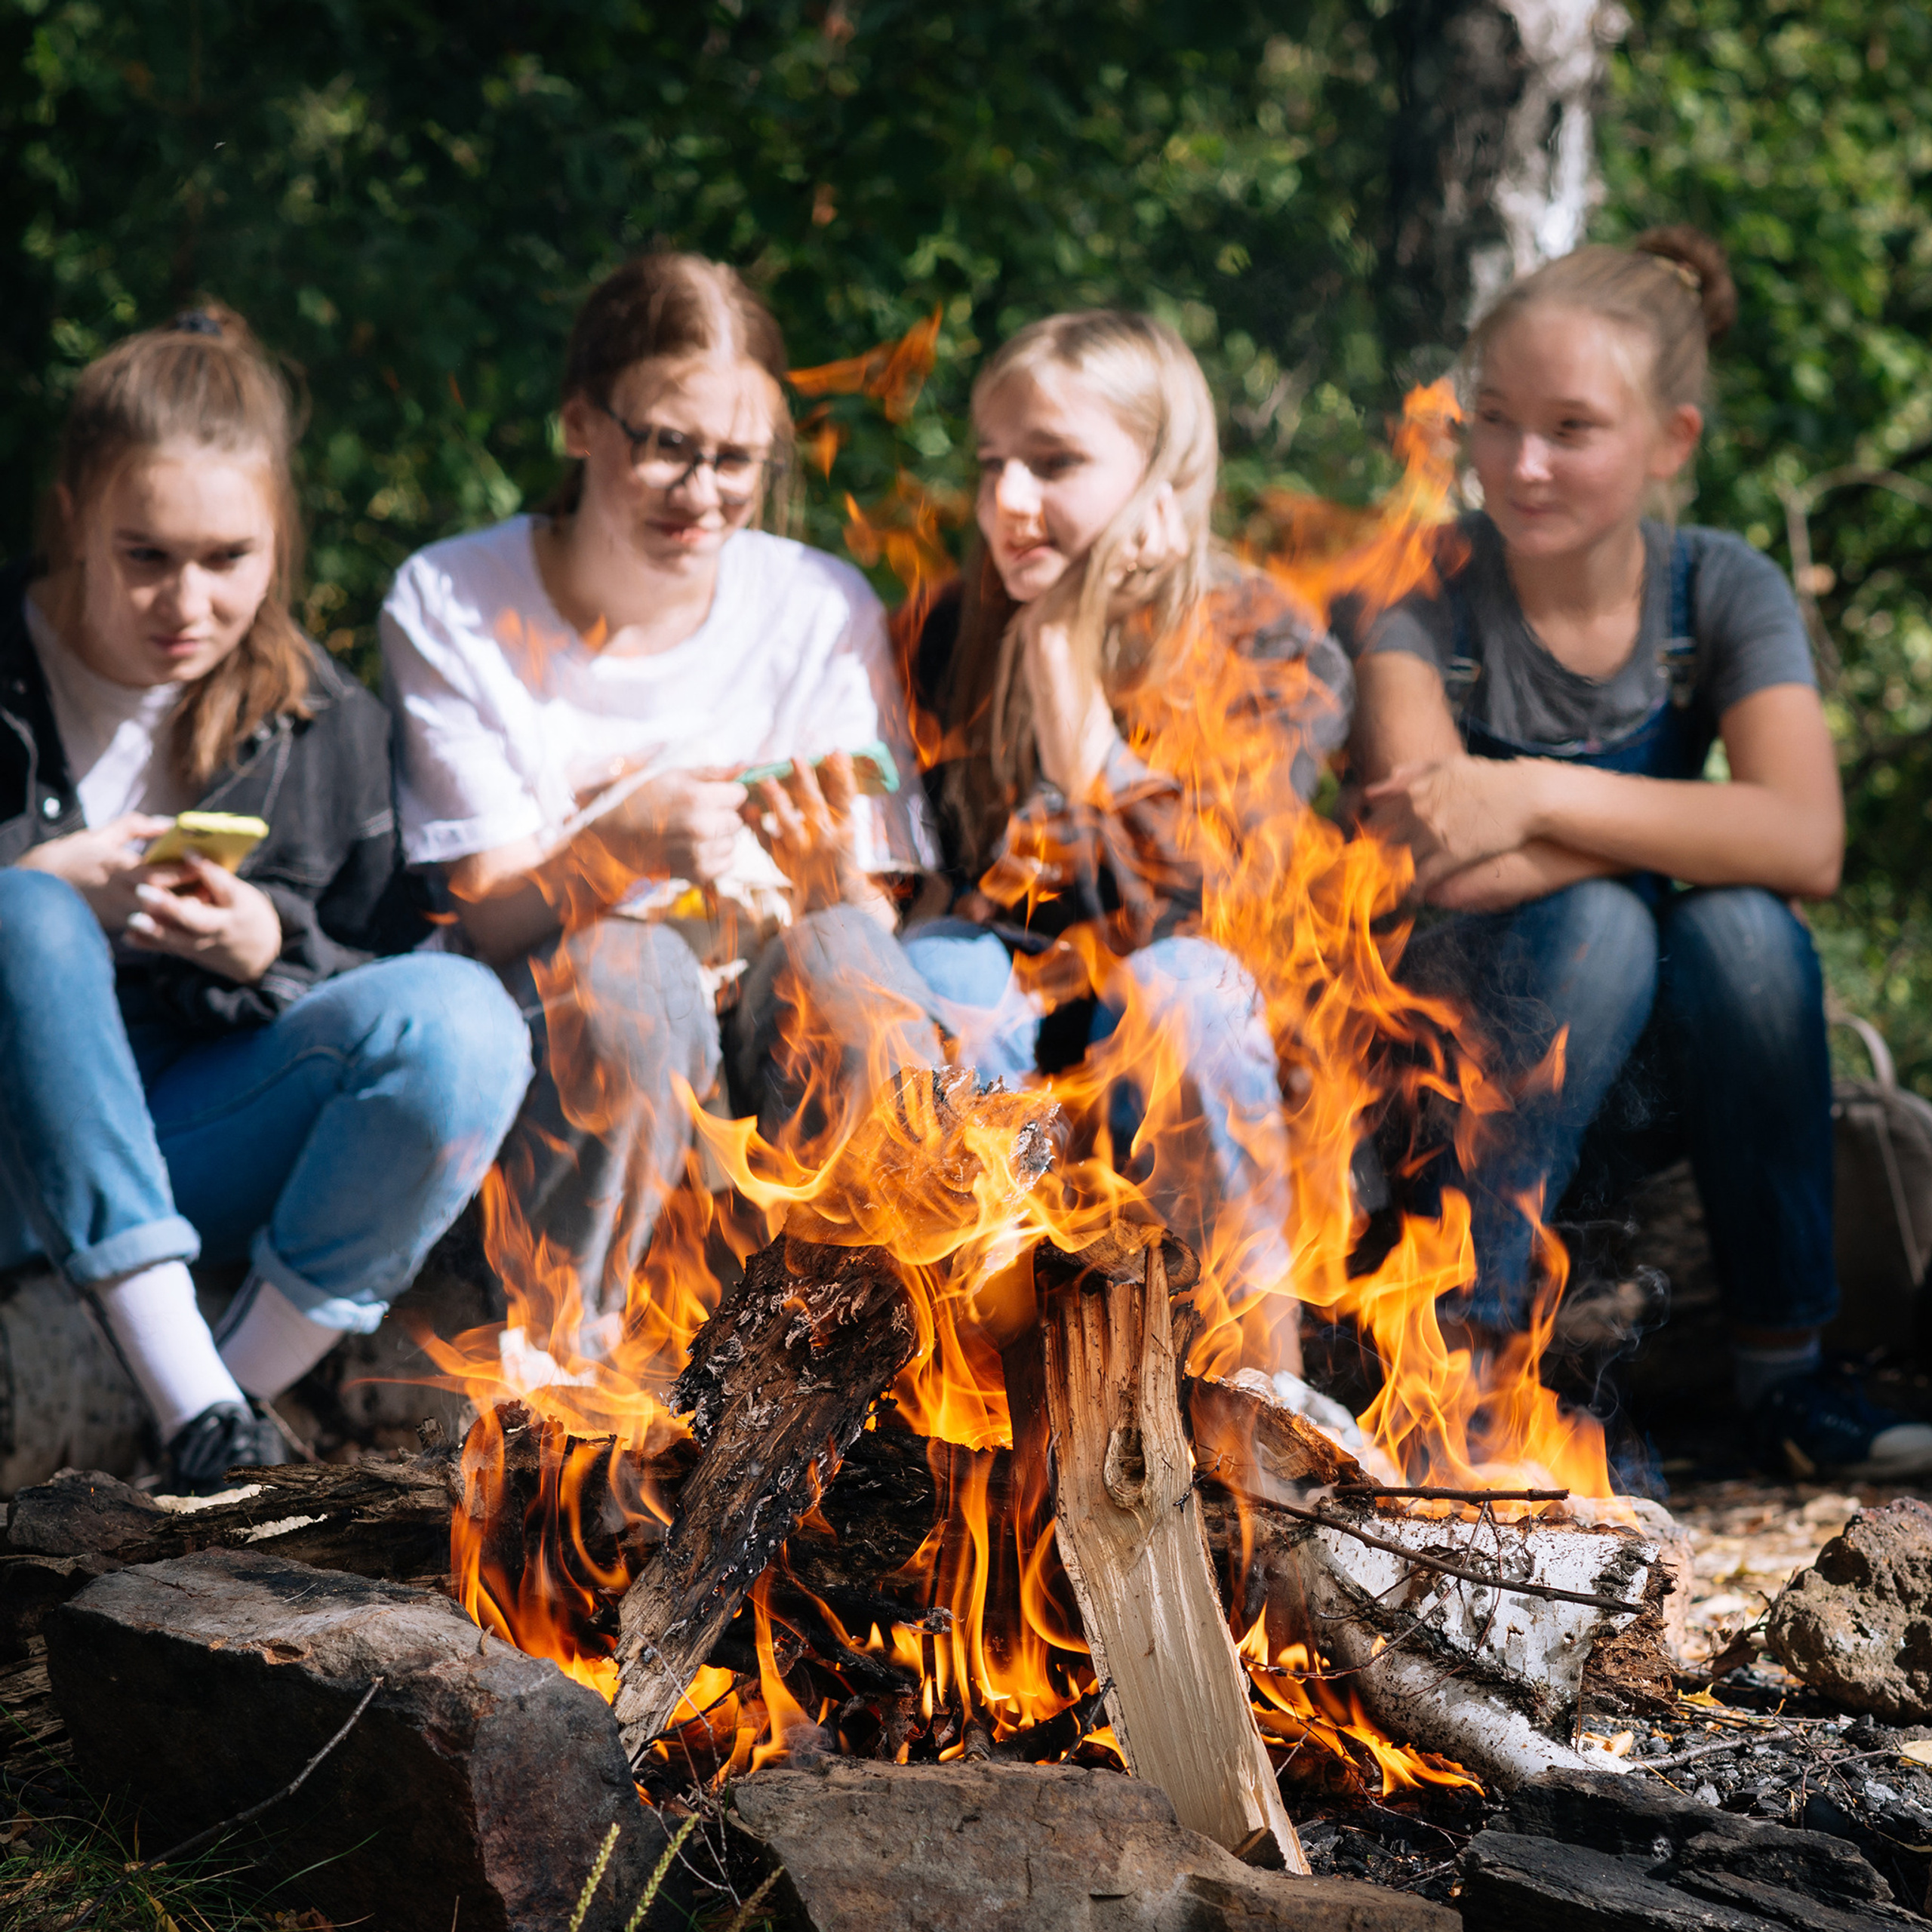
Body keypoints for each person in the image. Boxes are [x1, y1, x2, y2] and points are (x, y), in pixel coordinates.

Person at [1349, 227, 1931, 1479]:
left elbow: (1806, 839)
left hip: (1668, 1071)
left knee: (1746, 932)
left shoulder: (1716, 591)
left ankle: (1790, 1380)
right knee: (1623, 918)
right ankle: (1471, 1364)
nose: (1520, 463)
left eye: (1572, 428)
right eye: (1493, 420)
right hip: (1452, 1064)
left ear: (1672, 442)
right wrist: (1674, 837)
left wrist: (1529, 792)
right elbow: (1436, 867)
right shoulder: (1421, 595)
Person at [0, 306, 534, 1490]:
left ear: (279, 539)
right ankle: (193, 1398)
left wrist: (270, 953)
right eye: (146, 556)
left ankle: (220, 1414)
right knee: (28, 915)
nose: (185, 602)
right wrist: (37, 887)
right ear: (76, 513)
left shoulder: (321, 723)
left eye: (226, 560)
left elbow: (392, 978)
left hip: (195, 1136)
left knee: (463, 1017)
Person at [381, 254, 942, 1344]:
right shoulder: (453, 597)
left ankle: (895, 1347)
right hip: (576, 1021)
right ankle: (566, 1375)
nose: (707, 493)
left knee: (853, 966)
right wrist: (618, 842)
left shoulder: (820, 605)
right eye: (670, 447)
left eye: (740, 458)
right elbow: (485, 910)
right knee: (630, 970)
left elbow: (870, 909)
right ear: (584, 423)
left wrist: (837, 883)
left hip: (773, 998)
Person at [906, 310, 1353, 1362]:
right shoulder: (944, 632)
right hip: (1012, 1051)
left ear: (1167, 477)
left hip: (1200, 1054)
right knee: (938, 973)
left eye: (1054, 462)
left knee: (1182, 988)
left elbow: (1192, 913)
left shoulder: (1268, 639)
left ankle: (1261, 1396)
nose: (1007, 502)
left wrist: (1065, 663)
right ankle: (976, 1409)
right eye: (993, 465)